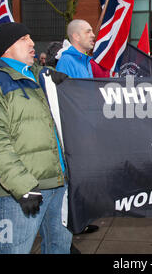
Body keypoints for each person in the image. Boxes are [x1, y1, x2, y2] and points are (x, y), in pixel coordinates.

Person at [0, 22, 72, 253]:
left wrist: (49, 78)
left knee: (60, 248)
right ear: (6, 48)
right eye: (24, 39)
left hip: (61, 184)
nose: (32, 43)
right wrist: (22, 187)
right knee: (13, 250)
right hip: (22, 193)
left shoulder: (41, 79)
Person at [55, 19, 102, 238]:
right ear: (75, 37)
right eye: (88, 31)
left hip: (85, 129)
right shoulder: (67, 62)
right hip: (75, 133)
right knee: (72, 184)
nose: (93, 34)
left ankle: (78, 224)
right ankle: (66, 235)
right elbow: (68, 101)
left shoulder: (84, 61)